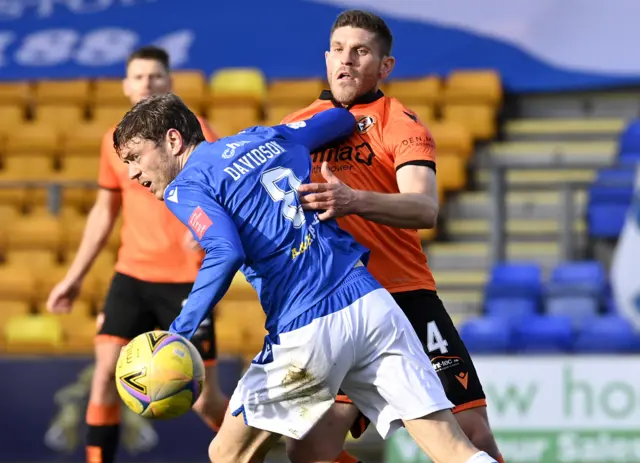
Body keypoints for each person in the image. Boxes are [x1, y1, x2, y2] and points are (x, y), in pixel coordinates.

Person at [111, 92, 499, 463]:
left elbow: (225, 250)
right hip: (371, 304)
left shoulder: (187, 186)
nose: (132, 173)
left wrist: (179, 331)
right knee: (452, 449)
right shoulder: (263, 137)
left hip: (308, 326)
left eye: (135, 157)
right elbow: (340, 119)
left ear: (173, 140)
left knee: (227, 454)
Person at [281, 9, 506, 463]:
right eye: (339, 50)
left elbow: (424, 207)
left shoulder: (400, 123)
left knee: (471, 433)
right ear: (327, 59)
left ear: (385, 66)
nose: (347, 61)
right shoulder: (293, 130)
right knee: (309, 451)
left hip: (405, 296)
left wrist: (351, 200)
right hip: (338, 305)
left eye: (361, 51)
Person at [46, 46, 228, 463]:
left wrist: (205, 232)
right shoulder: (114, 142)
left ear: (169, 82)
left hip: (187, 281)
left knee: (204, 401)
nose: (147, 83)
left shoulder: (196, 131)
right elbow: (103, 212)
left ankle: (259, 450)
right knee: (106, 378)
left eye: (156, 76)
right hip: (132, 275)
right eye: (139, 77)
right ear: (126, 85)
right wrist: (73, 278)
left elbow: (224, 190)